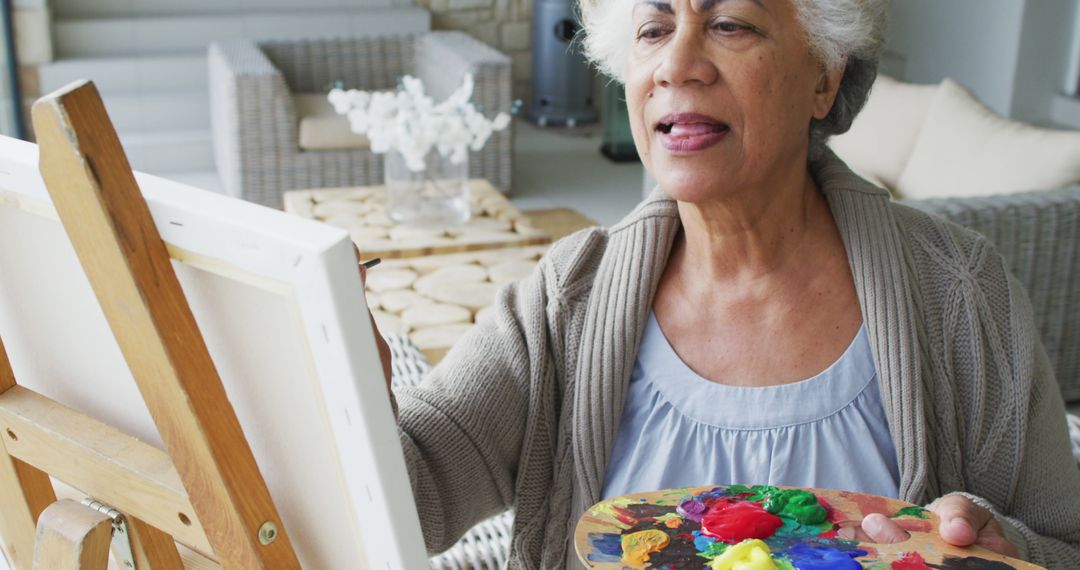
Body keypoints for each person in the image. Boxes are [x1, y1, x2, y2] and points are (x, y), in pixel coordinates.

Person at [362, 0, 1080, 567]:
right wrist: (343, 386)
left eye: (730, 23)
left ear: (825, 75)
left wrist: (1004, 552)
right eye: (652, 28)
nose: (677, 64)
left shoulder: (960, 294)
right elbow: (411, 492)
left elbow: (1063, 548)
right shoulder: (564, 299)